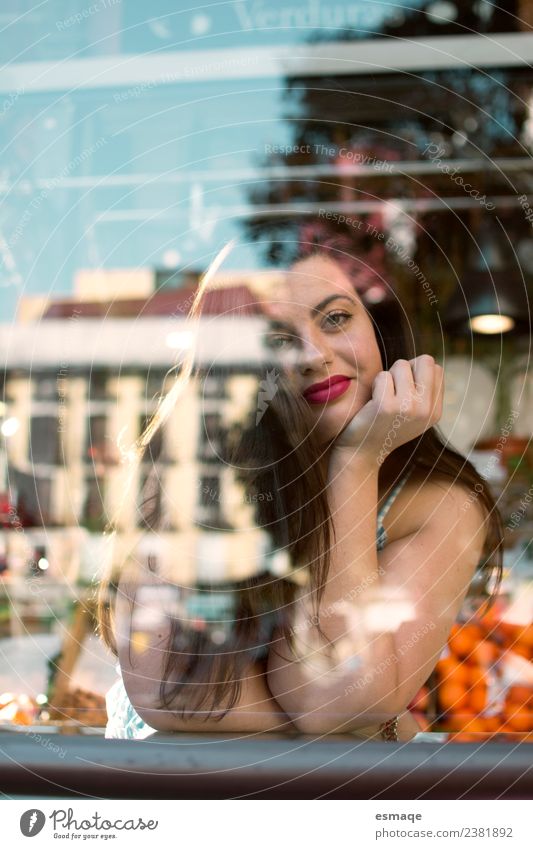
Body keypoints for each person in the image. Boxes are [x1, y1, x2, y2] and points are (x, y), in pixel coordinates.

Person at [98, 220, 503, 741]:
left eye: (335, 319)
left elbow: (334, 699)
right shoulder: (188, 468)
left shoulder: (438, 501)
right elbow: (174, 692)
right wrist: (355, 722)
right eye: (278, 339)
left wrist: (356, 464)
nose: (313, 356)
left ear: (380, 331)